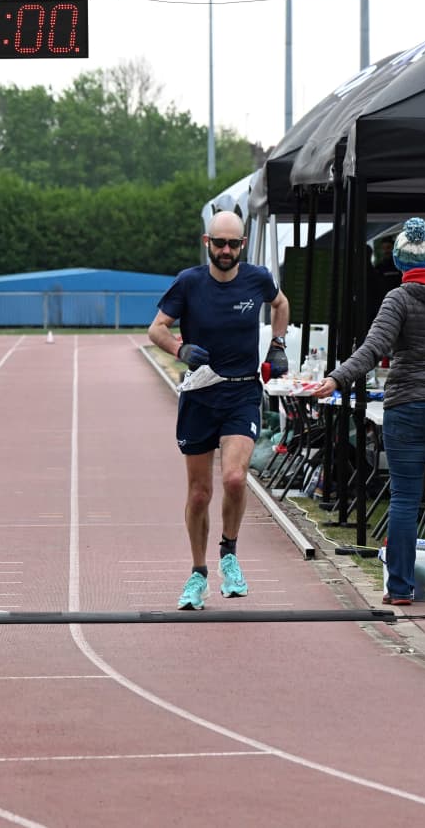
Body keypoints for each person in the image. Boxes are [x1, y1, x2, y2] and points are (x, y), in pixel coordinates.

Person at [309, 217, 425, 606]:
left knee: (404, 499)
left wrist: (337, 378)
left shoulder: (399, 299)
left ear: (404, 264)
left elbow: (373, 350)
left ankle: (401, 589)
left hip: (408, 407)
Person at [148, 210, 289, 610]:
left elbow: (281, 304)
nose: (226, 251)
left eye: (233, 244)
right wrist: (181, 349)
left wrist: (277, 346)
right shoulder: (189, 282)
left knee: (233, 479)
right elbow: (156, 328)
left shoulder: (257, 278)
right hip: (199, 395)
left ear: (243, 246)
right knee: (198, 494)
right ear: (206, 242)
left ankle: (229, 553)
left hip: (242, 392)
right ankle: (198, 573)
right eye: (219, 243)